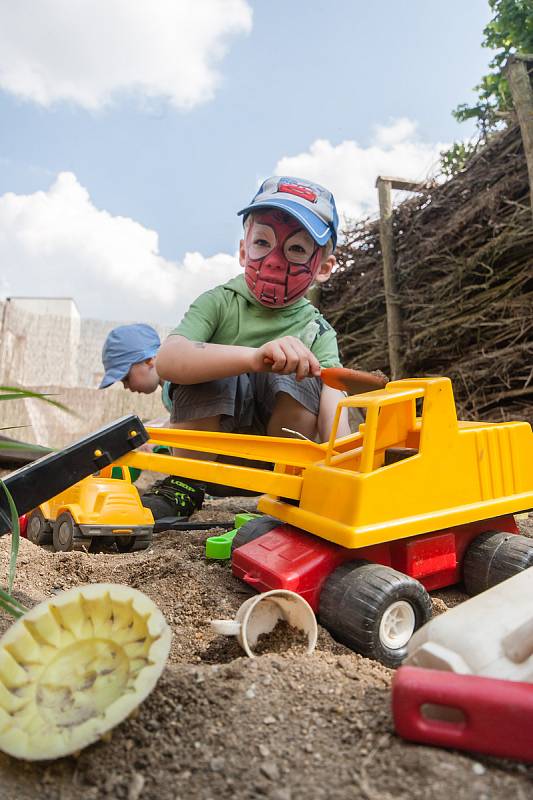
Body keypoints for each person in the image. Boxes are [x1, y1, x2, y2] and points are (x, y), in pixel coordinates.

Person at [141, 176, 351, 523]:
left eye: (297, 249)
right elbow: (168, 360)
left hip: (274, 469)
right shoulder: (219, 303)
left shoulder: (317, 331)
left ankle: (288, 486)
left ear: (324, 267)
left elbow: (335, 403)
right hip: (207, 460)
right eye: (262, 243)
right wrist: (253, 358)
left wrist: (345, 470)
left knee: (302, 367)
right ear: (243, 251)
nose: (275, 260)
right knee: (209, 361)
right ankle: (184, 485)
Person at [99, 323, 172, 422]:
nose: (125, 387)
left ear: (148, 361)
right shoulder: (167, 391)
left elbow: (188, 425)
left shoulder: (178, 385)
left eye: (126, 378)